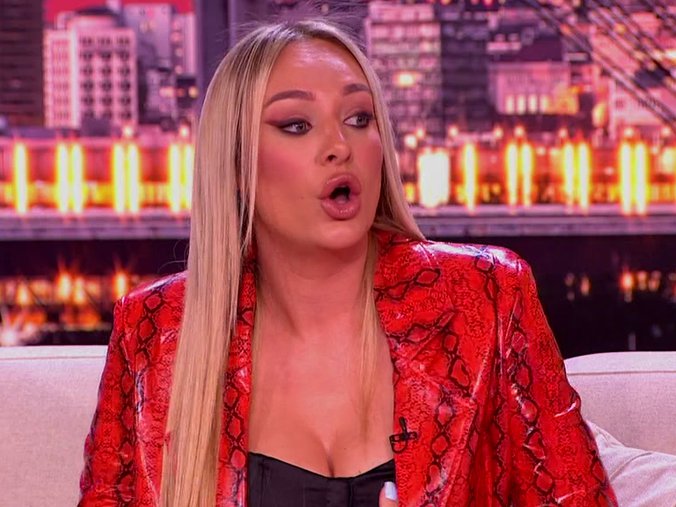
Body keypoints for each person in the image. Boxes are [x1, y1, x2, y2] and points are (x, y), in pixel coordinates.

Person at [79, 19, 618, 507]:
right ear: (237, 164)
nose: (340, 145)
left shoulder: (488, 296)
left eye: (359, 118)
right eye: (297, 125)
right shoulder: (153, 333)